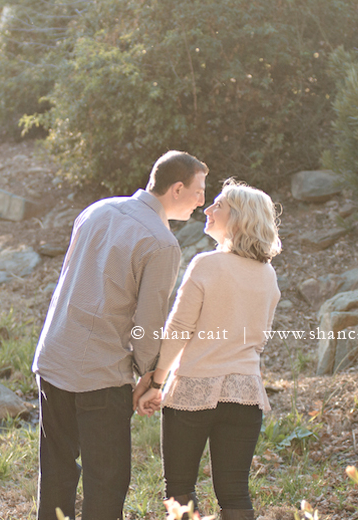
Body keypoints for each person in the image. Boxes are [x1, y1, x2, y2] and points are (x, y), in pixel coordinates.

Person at [33, 151, 208, 520]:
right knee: (107, 483)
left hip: (53, 356)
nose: (202, 201)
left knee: (57, 472)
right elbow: (148, 324)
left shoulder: (97, 210)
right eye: (199, 191)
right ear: (177, 189)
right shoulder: (161, 243)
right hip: (100, 374)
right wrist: (150, 376)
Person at [137, 179, 282, 520]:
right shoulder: (268, 275)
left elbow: (178, 329)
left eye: (219, 206)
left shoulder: (206, 265)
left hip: (193, 391)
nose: (207, 209)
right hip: (245, 393)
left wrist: (156, 383)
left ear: (239, 218)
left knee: (179, 488)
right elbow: (259, 338)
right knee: (234, 492)